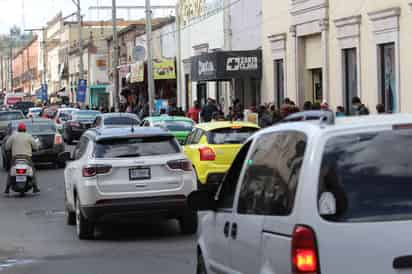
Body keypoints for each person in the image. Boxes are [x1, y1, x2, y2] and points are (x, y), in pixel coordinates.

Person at [4, 123, 40, 194]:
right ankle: (35, 187)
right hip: (26, 158)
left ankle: (7, 188)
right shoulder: (28, 136)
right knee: (32, 170)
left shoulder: (13, 136)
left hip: (15, 158)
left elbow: (7, 147)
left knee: (11, 171)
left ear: (18, 129)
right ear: (25, 129)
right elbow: (35, 147)